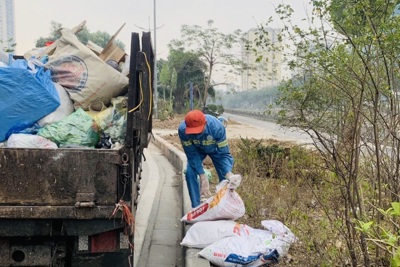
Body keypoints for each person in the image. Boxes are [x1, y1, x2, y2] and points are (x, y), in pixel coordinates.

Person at [178, 109, 235, 208]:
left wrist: (228, 172)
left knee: (225, 178)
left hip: (216, 150)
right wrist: (202, 176)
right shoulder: (183, 131)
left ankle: (223, 205)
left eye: (198, 130)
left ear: (205, 123)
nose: (196, 134)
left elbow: (224, 154)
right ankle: (196, 207)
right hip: (197, 151)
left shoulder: (217, 127)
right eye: (193, 132)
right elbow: (192, 155)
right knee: (190, 172)